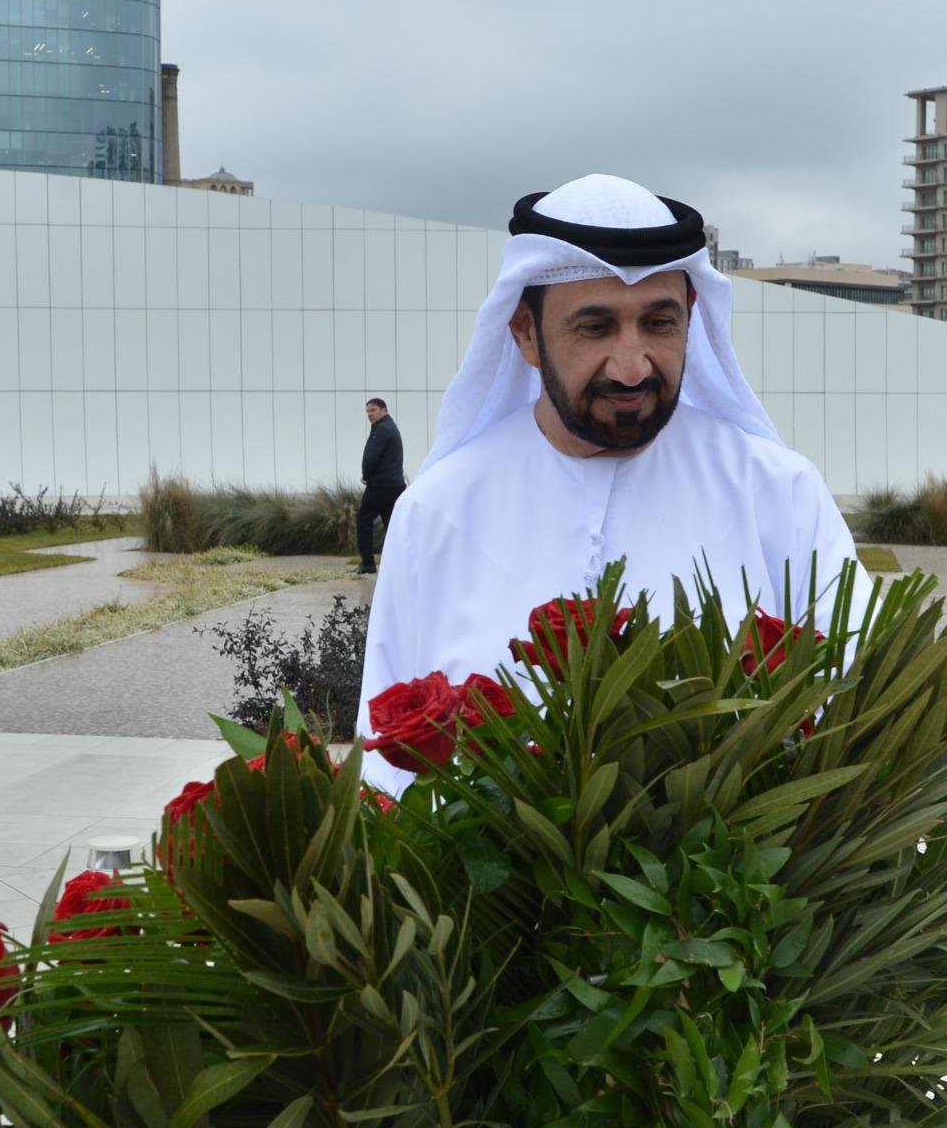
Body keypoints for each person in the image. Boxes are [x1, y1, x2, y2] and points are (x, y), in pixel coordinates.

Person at [356, 174, 858, 790]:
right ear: (525, 332)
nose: (631, 367)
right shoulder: (437, 511)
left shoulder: (779, 493)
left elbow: (872, 713)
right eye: (594, 328)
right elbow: (383, 772)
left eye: (659, 323)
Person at [355, 397, 404, 575]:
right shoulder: (391, 427)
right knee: (392, 524)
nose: (370, 414)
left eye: (373, 410)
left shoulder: (381, 429)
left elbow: (370, 458)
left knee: (363, 519)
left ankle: (368, 563)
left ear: (384, 410)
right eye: (368, 411)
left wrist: (366, 476)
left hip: (380, 485)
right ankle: (399, 563)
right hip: (395, 484)